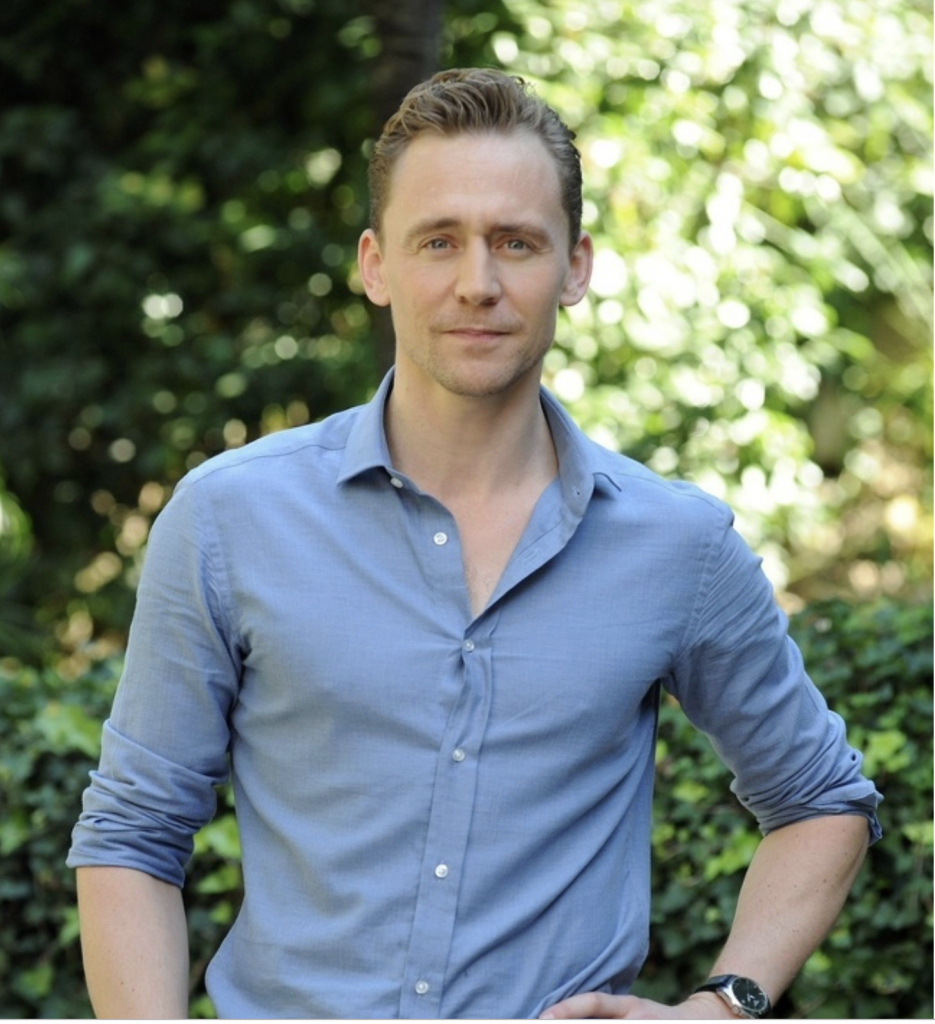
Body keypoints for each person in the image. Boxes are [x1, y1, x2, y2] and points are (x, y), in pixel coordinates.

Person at [68, 67, 881, 1020]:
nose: (477, 284)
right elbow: (132, 834)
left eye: (515, 242)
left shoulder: (678, 545)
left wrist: (721, 1006)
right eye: (438, 241)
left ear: (574, 268)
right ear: (376, 265)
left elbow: (821, 801)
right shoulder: (228, 518)